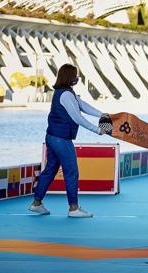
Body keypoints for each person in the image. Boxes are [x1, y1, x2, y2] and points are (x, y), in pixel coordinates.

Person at [29, 64, 108, 218]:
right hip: (61, 139)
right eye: (75, 75)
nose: (76, 78)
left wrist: (103, 114)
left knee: (50, 169)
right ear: (69, 77)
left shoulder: (66, 93)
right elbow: (77, 117)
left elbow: (82, 105)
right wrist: (97, 130)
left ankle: (36, 203)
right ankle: (73, 208)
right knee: (71, 172)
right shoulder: (65, 95)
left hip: (52, 137)